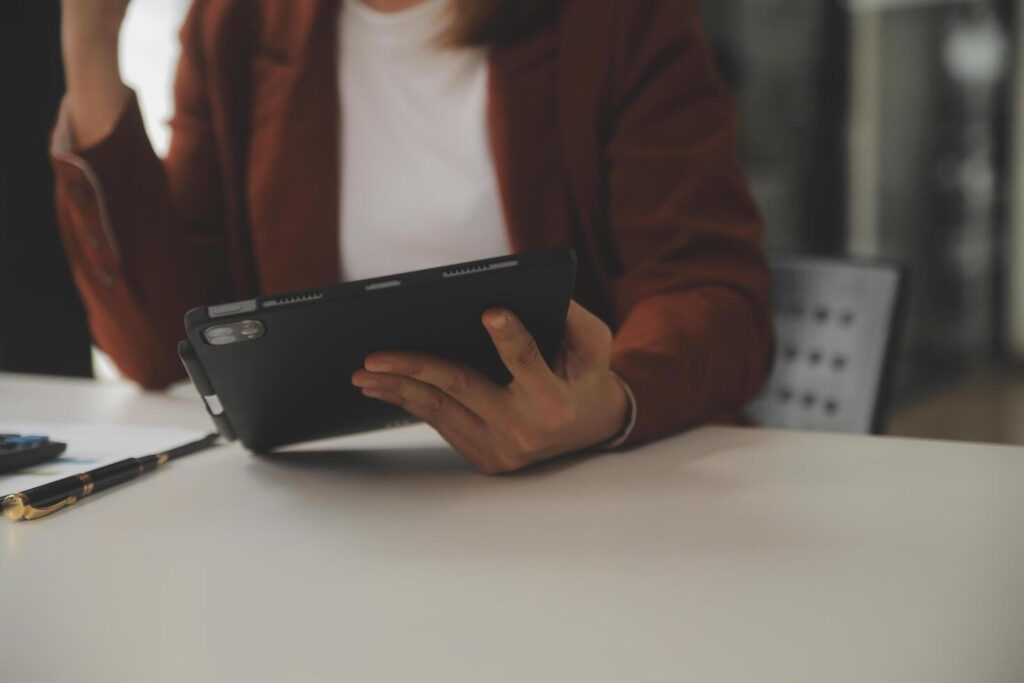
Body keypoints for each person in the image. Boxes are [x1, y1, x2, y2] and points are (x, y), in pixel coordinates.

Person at [53, 0, 772, 474]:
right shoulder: (239, 21)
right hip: (345, 509)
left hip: (584, 505)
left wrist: (606, 402)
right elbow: (163, 346)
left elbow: (715, 296)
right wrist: (89, 45)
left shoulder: (613, 20)